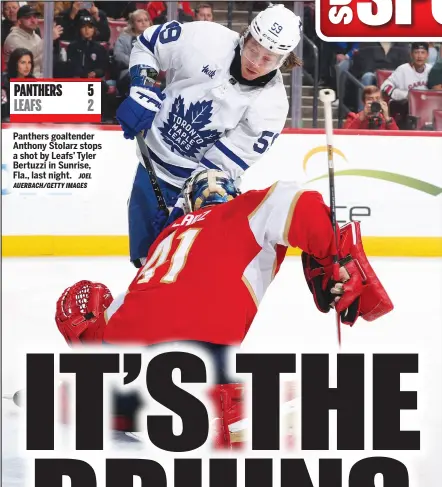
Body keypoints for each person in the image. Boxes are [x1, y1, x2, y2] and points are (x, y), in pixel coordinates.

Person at [55, 169, 393, 446]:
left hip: (122, 361)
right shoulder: (245, 207)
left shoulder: (165, 237)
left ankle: (101, 399)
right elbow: (297, 201)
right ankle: (236, 404)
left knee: (114, 356)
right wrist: (334, 254)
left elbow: (110, 317)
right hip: (198, 356)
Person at [115, 3, 303, 268]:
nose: (254, 62)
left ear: (282, 60)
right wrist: (141, 88)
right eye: (252, 49)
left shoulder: (271, 107)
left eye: (267, 59)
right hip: (151, 169)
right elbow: (149, 44)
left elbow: (220, 165)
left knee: (191, 272)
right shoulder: (205, 39)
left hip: (202, 193)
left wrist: (184, 206)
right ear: (245, 35)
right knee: (147, 267)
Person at [113, 9, 152, 96]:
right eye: (139, 21)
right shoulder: (124, 38)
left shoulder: (155, 38)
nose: (143, 23)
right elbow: (118, 55)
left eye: (146, 20)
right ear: (133, 24)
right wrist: (135, 63)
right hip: (129, 72)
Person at [1, 48, 35, 121]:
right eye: (23, 62)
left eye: (29, 62)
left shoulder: (32, 81)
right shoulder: (4, 82)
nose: (27, 66)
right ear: (15, 64)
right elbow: (3, 109)